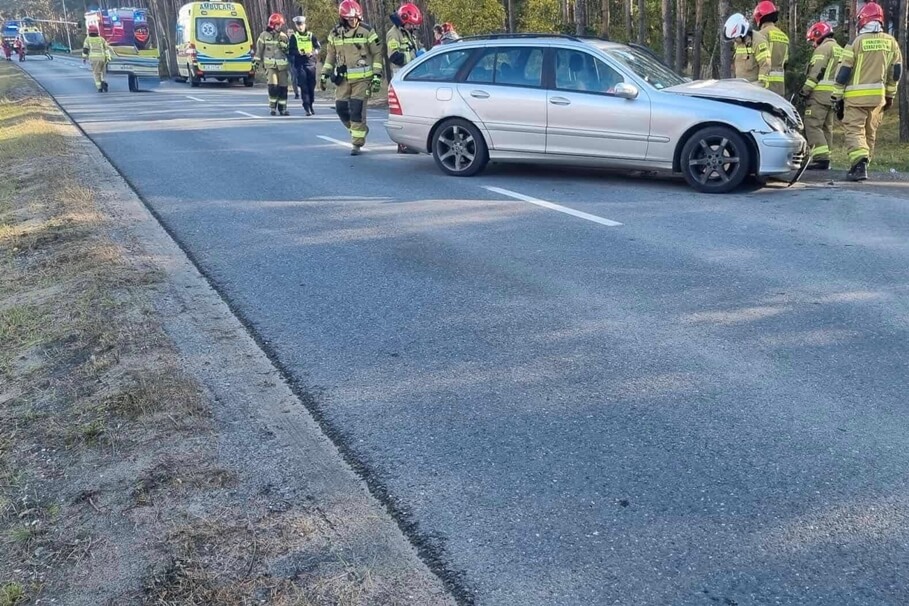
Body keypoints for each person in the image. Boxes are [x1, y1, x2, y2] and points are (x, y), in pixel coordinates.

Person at [833, 1, 902, 182]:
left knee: (855, 131)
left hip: (855, 99)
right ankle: (863, 164)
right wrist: (890, 95)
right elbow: (895, 73)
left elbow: (843, 72)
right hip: (878, 98)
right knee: (870, 133)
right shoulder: (891, 43)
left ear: (862, 20)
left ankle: (859, 164)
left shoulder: (856, 42)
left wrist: (837, 97)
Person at [321, 0, 383, 156]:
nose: (353, 21)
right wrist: (324, 73)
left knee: (356, 110)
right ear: (343, 18)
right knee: (341, 108)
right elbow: (330, 55)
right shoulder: (335, 33)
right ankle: (359, 130)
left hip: (363, 80)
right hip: (343, 80)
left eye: (356, 18)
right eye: (350, 19)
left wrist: (377, 75)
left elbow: (377, 54)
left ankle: (357, 143)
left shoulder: (367, 31)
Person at [799, 21, 842, 171]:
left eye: (813, 40)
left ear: (818, 35)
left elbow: (816, 72)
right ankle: (826, 157)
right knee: (826, 127)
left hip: (819, 94)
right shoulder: (840, 49)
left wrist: (805, 90)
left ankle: (820, 158)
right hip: (834, 96)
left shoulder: (822, 49)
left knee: (812, 124)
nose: (813, 44)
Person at [387, 3, 424, 153]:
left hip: (410, 77)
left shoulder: (408, 33)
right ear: (403, 20)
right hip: (401, 78)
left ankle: (409, 142)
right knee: (404, 113)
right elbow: (394, 56)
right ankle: (403, 144)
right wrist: (415, 58)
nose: (413, 27)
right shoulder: (393, 34)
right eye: (411, 24)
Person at [254, 13, 291, 116]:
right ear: (272, 25)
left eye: (281, 25)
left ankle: (283, 108)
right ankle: (273, 108)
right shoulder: (264, 36)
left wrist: (285, 47)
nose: (280, 26)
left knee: (283, 88)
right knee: (273, 87)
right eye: (278, 24)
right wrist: (256, 63)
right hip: (270, 67)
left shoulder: (283, 36)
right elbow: (259, 51)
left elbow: (289, 51)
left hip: (282, 67)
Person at [752, 1, 788, 95]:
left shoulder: (760, 35)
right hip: (780, 88)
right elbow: (785, 62)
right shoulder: (784, 36)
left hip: (764, 87)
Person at [289, 15, 321, 116]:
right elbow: (291, 51)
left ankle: (311, 104)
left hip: (311, 64)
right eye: (298, 25)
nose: (300, 27)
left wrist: (313, 52)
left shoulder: (311, 36)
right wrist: (299, 53)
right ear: (296, 26)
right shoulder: (294, 37)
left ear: (304, 24)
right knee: (304, 86)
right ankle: (306, 107)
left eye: (301, 24)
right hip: (300, 65)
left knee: (311, 86)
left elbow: (318, 47)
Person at [723, 13, 766, 84]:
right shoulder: (738, 43)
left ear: (742, 32)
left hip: (753, 87)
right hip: (741, 86)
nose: (734, 41)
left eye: (735, 38)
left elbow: (765, 64)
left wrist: (760, 84)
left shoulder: (758, 41)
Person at [82, 25, 111, 92]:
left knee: (96, 73)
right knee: (103, 72)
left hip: (94, 59)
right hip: (102, 58)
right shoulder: (101, 39)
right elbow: (106, 49)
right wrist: (108, 57)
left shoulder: (87, 39)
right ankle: (103, 80)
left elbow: (85, 50)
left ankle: (99, 87)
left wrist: (84, 58)